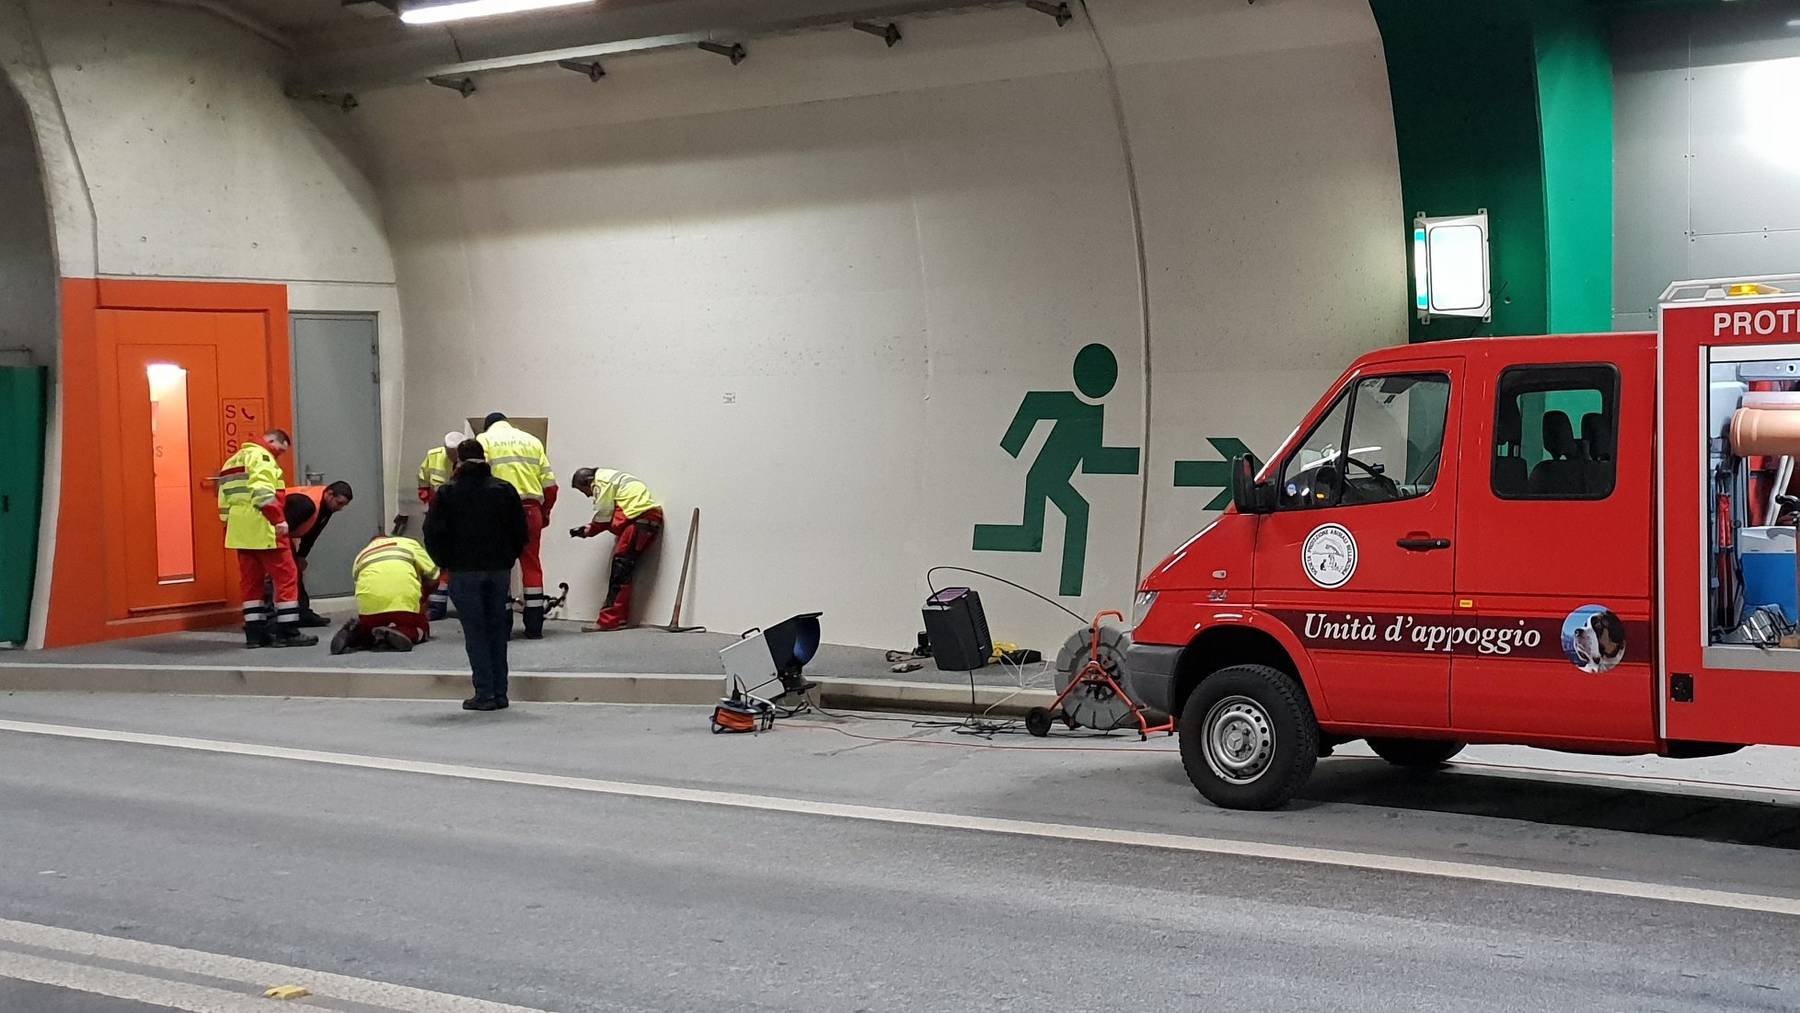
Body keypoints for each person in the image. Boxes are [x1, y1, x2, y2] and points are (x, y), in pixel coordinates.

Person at [424, 439, 528, 711]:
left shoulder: (447, 493)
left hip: (463, 571)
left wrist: (444, 562)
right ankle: (501, 693)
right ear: (485, 459)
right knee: (497, 630)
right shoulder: (504, 490)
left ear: (458, 460)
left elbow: (432, 532)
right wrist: (509, 557)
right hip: (498, 570)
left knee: (476, 632)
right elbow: (520, 531)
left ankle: (484, 693)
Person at [216, 428, 317, 648]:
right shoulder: (261, 457)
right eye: (280, 450)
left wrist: (229, 525)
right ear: (272, 440)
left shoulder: (231, 461)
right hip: (264, 527)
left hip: (240, 532)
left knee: (251, 583)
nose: (278, 455)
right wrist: (278, 519)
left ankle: (255, 633)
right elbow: (262, 492)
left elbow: (223, 499)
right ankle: (287, 631)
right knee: (287, 576)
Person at [477, 412, 558, 638]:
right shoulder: (532, 442)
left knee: (500, 566)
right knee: (531, 564)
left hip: (497, 512)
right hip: (531, 509)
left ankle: (502, 626)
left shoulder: (482, 441)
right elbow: (550, 487)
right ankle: (534, 625)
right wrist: (545, 512)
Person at [568, 467, 664, 632]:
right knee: (624, 570)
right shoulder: (612, 477)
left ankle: (610, 620)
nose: (588, 496)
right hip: (647, 519)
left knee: (620, 570)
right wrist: (587, 530)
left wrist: (590, 530)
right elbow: (610, 516)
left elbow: (605, 515)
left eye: (584, 491)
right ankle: (619, 618)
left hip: (639, 520)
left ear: (588, 482)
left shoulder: (600, 482)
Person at [330, 534, 439, 655]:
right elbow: (434, 575)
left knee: (370, 628)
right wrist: (423, 599)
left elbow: (361, 585)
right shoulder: (409, 543)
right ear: (389, 538)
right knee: (420, 627)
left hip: (369, 608)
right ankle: (400, 632)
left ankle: (356, 634)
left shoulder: (361, 554)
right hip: (403, 604)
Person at [279, 480, 354, 627]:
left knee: (294, 572)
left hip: (280, 533)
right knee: (286, 574)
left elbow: (312, 533)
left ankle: (302, 613)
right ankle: (281, 617)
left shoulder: (326, 507)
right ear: (329, 494)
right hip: (273, 534)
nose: (340, 508)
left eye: (344, 505)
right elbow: (282, 528)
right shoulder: (306, 504)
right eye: (339, 503)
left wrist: (301, 556)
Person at [417, 431, 464, 619]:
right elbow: (422, 484)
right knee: (436, 559)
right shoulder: (433, 457)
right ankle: (436, 605)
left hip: (460, 518)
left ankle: (449, 602)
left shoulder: (469, 461)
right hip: (437, 517)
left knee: (458, 560)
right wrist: (429, 505)